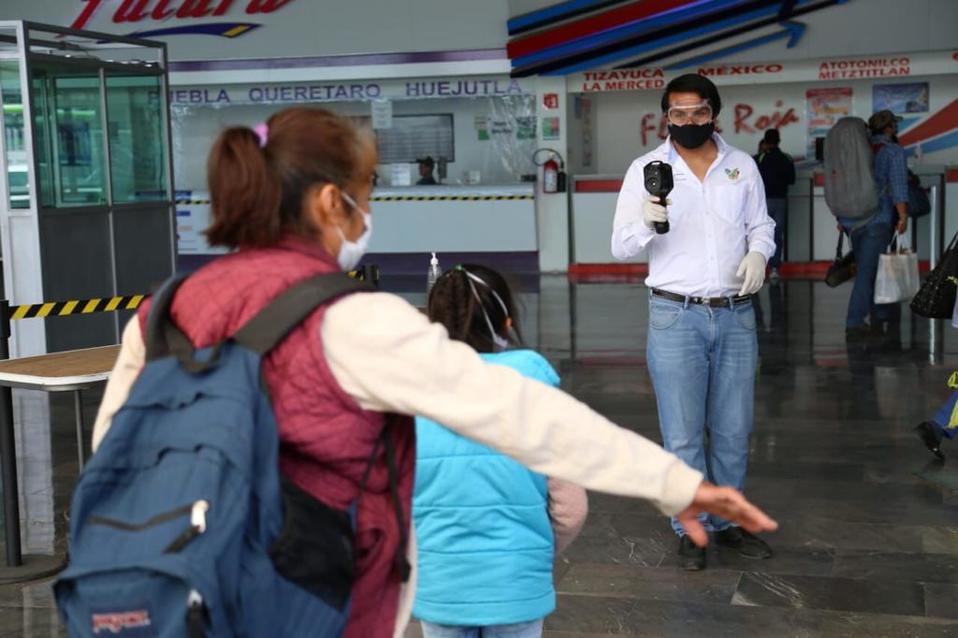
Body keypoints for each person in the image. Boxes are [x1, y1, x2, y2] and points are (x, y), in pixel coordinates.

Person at [92, 107, 776, 638]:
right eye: (364, 195)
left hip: (174, 589)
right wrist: (674, 484)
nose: (368, 214)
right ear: (332, 204)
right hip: (311, 600)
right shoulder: (351, 320)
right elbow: (519, 411)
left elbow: (112, 458)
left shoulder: (162, 310)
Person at [611, 74, 777, 572]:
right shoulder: (647, 169)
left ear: (714, 114)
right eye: (677, 114)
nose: (687, 121)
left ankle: (727, 521)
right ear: (666, 117)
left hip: (734, 315)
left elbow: (762, 225)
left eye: (697, 112)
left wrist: (759, 254)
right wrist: (646, 220)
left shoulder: (742, 166)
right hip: (673, 316)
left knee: (732, 429)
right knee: (682, 435)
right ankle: (693, 528)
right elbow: (620, 246)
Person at [413, 264, 587, 638]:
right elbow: (571, 509)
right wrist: (530, 551)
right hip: (517, 585)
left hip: (441, 588)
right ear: (507, 322)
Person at [840, 110, 909, 341]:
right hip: (878, 221)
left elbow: (843, 186)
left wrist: (841, 218)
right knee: (868, 273)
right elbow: (899, 187)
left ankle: (878, 313)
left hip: (853, 221)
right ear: (889, 128)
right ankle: (855, 321)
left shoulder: (858, 151)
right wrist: (902, 216)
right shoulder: (893, 152)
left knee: (869, 269)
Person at [755, 129, 795, 281]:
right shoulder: (786, 158)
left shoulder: (759, 159)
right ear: (779, 141)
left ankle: (758, 267)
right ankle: (774, 270)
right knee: (777, 236)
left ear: (765, 141)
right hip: (780, 201)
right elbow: (791, 180)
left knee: (758, 234)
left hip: (762, 202)